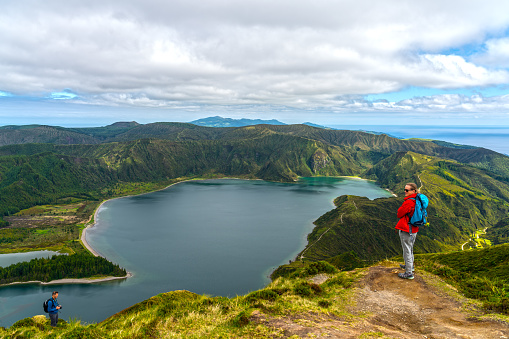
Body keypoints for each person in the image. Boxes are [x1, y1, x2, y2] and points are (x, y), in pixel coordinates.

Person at [396, 183, 419, 280]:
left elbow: (399, 213)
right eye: (404, 189)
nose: (405, 192)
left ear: (413, 191)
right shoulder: (417, 200)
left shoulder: (409, 202)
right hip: (414, 229)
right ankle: (410, 266)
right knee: (410, 248)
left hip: (407, 229)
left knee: (407, 250)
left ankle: (409, 273)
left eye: (407, 190)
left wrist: (400, 209)